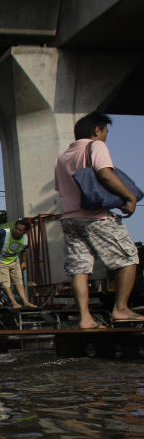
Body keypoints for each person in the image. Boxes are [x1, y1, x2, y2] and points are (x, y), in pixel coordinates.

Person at [53, 111, 144, 328]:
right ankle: (121, 309)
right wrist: (129, 197)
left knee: (79, 267)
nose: (106, 136)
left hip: (70, 219)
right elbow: (104, 174)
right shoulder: (95, 146)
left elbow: (61, 188)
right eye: (105, 131)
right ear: (97, 130)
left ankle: (85, 318)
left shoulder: (63, 157)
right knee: (128, 259)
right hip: (96, 217)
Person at [0, 219, 36, 309]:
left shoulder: (25, 238)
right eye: (16, 228)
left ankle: (25, 301)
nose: (17, 231)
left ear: (25, 232)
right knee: (5, 282)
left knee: (19, 281)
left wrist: (24, 261)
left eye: (20, 230)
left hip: (14, 260)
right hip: (0, 260)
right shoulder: (4, 233)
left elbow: (25, 249)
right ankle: (13, 302)